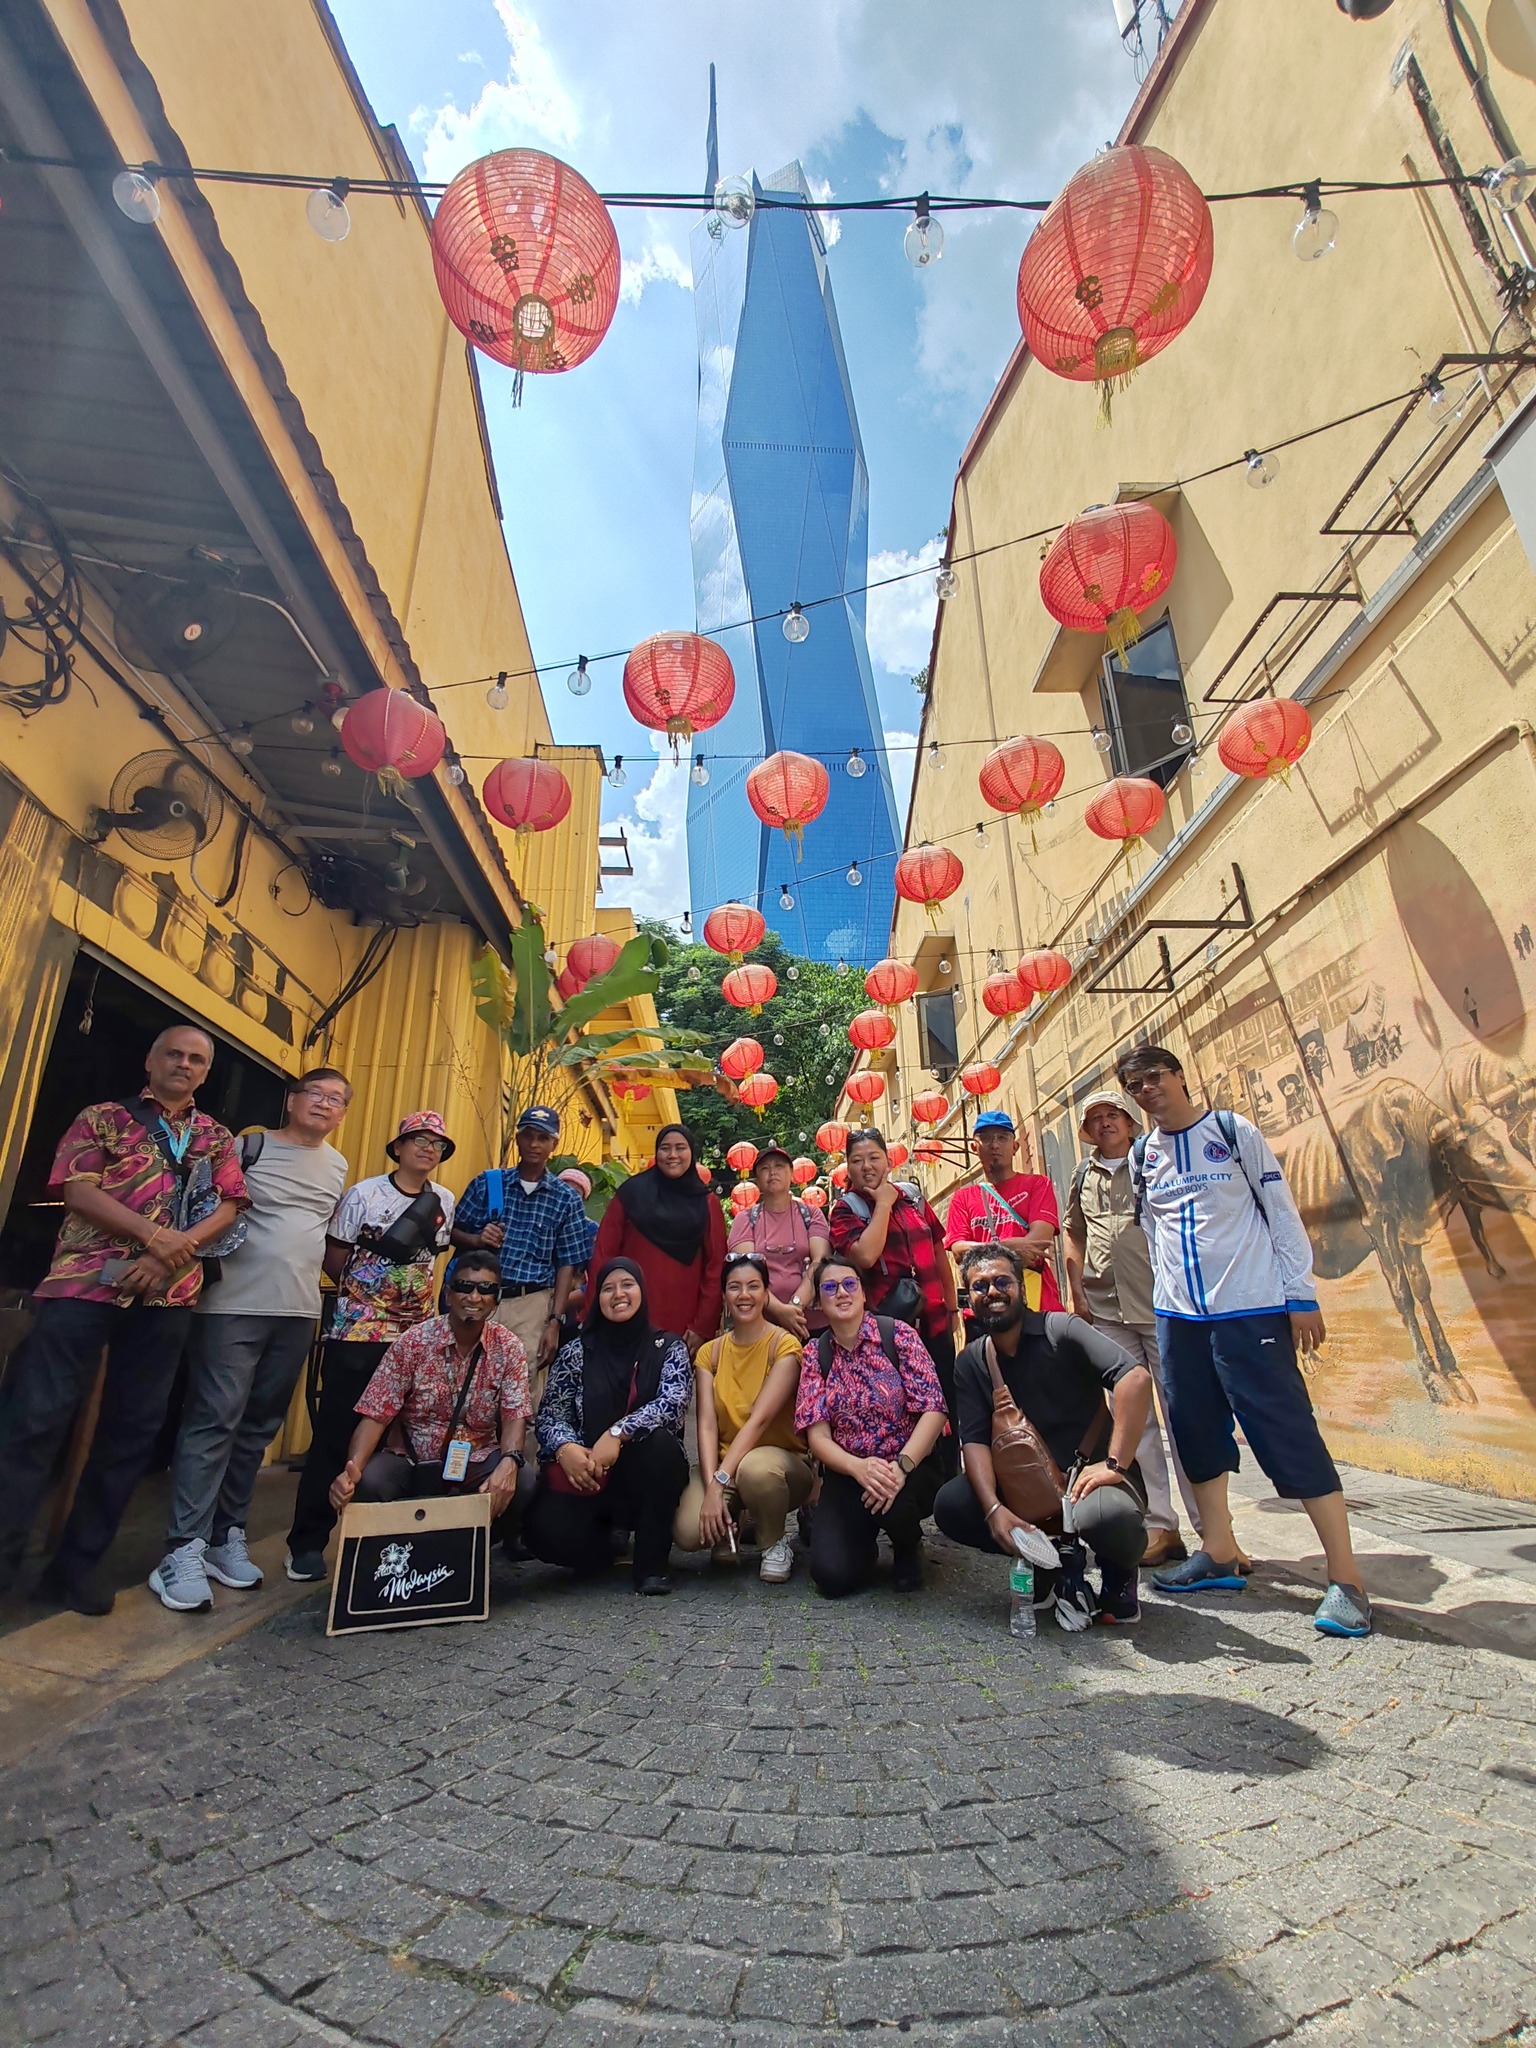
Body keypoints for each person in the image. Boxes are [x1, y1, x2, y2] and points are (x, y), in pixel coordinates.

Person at [1117, 1043, 1371, 1638]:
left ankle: (1346, 1578)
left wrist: (1299, 1293)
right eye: (1136, 1085)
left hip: (1250, 1310)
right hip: (1177, 1318)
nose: (1147, 1090)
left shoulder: (1231, 1133)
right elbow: (1155, 1232)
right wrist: (1165, 1303)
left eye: (1155, 1077)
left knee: (1286, 1431)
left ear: (1180, 1076)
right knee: (1196, 1433)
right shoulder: (1141, 1155)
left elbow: (1280, 1211)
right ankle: (1220, 1551)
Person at [0, 1026, 247, 1616]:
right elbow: (77, 1191)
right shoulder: (104, 1117)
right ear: (151, 1059)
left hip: (168, 1298)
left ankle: (77, 1568)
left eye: (196, 1059)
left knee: (130, 1435)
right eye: (174, 1054)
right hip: (83, 1285)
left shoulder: (214, 1136)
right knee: (34, 1422)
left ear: (206, 1072)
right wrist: (155, 1238)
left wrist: (169, 1255)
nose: (184, 1065)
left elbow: (232, 1206)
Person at [150, 1068, 352, 1612]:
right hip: (232, 1305)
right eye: (318, 1094)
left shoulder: (337, 1166)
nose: (325, 1105)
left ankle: (225, 1536)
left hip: (298, 1310)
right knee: (214, 1417)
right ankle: (181, 1547)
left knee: (259, 1426)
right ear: (292, 1099)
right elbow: (205, 1207)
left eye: (337, 1100)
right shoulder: (248, 1144)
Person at [933, 1246, 1153, 1627]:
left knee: (1110, 1518)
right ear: (970, 1299)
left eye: (1003, 1281)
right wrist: (993, 1509)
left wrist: (1115, 1464)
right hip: (1027, 1490)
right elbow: (974, 1442)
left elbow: (1135, 1379)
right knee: (953, 1504)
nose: (993, 1291)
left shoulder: (1062, 1330)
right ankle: (1044, 1564)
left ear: (1021, 1287)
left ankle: (1118, 1576)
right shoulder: (971, 1361)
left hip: (1090, 1484)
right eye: (980, 1286)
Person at [284, 1111, 456, 1583]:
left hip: (414, 1337)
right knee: (338, 1433)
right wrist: (366, 1298)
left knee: (407, 1437)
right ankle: (306, 1542)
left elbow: (431, 1260)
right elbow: (335, 1253)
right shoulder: (364, 1194)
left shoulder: (444, 1200)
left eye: (436, 1144)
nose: (427, 1149)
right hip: (358, 1332)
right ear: (397, 1147)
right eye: (417, 1140)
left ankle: (392, 1545)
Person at [1063, 1087, 1202, 1572]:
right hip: (1106, 1309)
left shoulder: (1153, 1160)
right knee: (1135, 1423)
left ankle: (1211, 1529)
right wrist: (1077, 1292)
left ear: (1128, 1120)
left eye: (1111, 1115)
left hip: (1163, 1306)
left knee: (1183, 1416)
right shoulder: (1083, 1174)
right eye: (1095, 1118)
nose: (1104, 1124)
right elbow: (1074, 1233)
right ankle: (1161, 1525)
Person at [327, 1251, 533, 1538]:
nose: (474, 1297)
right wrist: (352, 1470)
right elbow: (376, 1414)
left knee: (522, 1480)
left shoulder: (508, 1347)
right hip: (412, 1460)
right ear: (448, 1295)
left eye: (486, 1289)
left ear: (496, 1300)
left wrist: (511, 1460)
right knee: (369, 1482)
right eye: (464, 1287)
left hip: (475, 1457)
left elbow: (514, 1415)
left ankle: (473, 1550)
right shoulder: (413, 1341)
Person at [524, 1258, 691, 1594]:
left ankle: (651, 1565)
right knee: (542, 1534)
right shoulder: (576, 1351)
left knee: (660, 1446)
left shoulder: (667, 1347)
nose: (618, 1294)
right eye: (608, 1288)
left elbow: (672, 1403)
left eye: (627, 1285)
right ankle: (602, 1550)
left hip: (644, 1474)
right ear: (596, 1297)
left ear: (642, 1291)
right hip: (588, 1474)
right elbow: (551, 1413)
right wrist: (566, 1447)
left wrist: (618, 1433)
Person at [794, 1255, 949, 1596]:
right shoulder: (815, 1354)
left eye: (850, 1284)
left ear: (863, 1293)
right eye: (830, 1287)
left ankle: (908, 1545)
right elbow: (816, 1435)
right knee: (832, 1578)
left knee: (895, 1499)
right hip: (849, 1471)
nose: (842, 1293)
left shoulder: (898, 1335)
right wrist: (858, 1468)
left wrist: (901, 1468)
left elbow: (934, 1410)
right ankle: (861, 1543)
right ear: (819, 1302)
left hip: (909, 1465)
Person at [674, 1251, 813, 1584]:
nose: (744, 1295)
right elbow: (706, 1424)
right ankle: (727, 1524)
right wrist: (711, 1487)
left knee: (756, 1468)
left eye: (753, 1286)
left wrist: (719, 1483)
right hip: (725, 1466)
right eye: (734, 1287)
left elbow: (759, 1421)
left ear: (767, 1294)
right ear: (724, 1296)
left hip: (780, 1465)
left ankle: (773, 1540)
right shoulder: (711, 1352)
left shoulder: (785, 1346)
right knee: (688, 1532)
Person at [829, 1128, 963, 1468]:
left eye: (874, 1157)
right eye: (857, 1160)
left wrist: (951, 1305)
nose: (867, 1166)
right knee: (903, 1407)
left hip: (933, 1320)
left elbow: (937, 1249)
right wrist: (884, 1205)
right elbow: (864, 1257)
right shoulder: (846, 1210)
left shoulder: (914, 1197)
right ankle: (910, 1479)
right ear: (848, 1167)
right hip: (889, 1332)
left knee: (946, 1401)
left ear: (888, 1161)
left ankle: (951, 1480)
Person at [451, 1106, 590, 1402]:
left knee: (520, 1386)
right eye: (528, 1136)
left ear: (554, 1145)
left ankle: (512, 1449)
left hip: (531, 1302)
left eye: (543, 1138)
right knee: (463, 1378)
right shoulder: (488, 1183)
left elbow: (567, 1263)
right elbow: (451, 1231)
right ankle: (462, 1447)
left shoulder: (565, 1199)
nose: (534, 1144)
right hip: (479, 1296)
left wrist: (554, 1321)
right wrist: (477, 1238)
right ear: (517, 1139)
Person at [588, 1125, 725, 1357]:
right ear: (656, 1153)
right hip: (625, 1315)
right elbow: (604, 1254)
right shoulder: (631, 1193)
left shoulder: (706, 1203)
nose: (672, 1155)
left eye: (680, 1148)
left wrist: (703, 1326)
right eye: (665, 1148)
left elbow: (715, 1267)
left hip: (683, 1325)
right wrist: (596, 1315)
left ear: (692, 1153)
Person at [943, 1108, 1063, 1312]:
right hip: (983, 1307)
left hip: (1035, 1302)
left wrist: (980, 1250)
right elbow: (958, 1251)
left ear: (1015, 1146)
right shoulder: (963, 1197)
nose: (995, 1144)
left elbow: (1036, 1246)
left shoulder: (1037, 1185)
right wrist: (1010, 1245)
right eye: (986, 1138)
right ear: (975, 1147)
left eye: (1002, 1137)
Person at [727, 1143, 831, 1338]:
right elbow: (744, 1271)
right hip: (762, 1325)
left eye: (779, 1166)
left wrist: (795, 1307)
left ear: (792, 1174)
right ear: (757, 1180)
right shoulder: (746, 1219)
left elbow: (820, 1261)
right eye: (765, 1169)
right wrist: (780, 1311)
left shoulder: (811, 1214)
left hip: (812, 1323)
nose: (772, 1172)